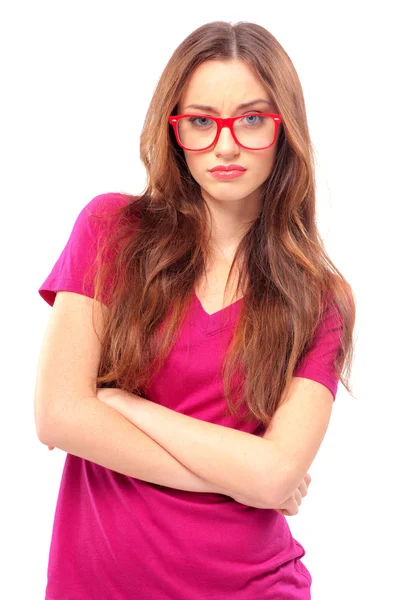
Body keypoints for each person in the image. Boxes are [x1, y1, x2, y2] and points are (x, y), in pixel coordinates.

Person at [35, 20, 356, 600]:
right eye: (202, 121)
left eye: (252, 119)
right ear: (174, 129)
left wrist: (120, 404)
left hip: (253, 585)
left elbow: (280, 474)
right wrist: (246, 479)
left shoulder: (319, 297)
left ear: (285, 131)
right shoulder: (111, 231)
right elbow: (57, 415)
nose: (226, 144)